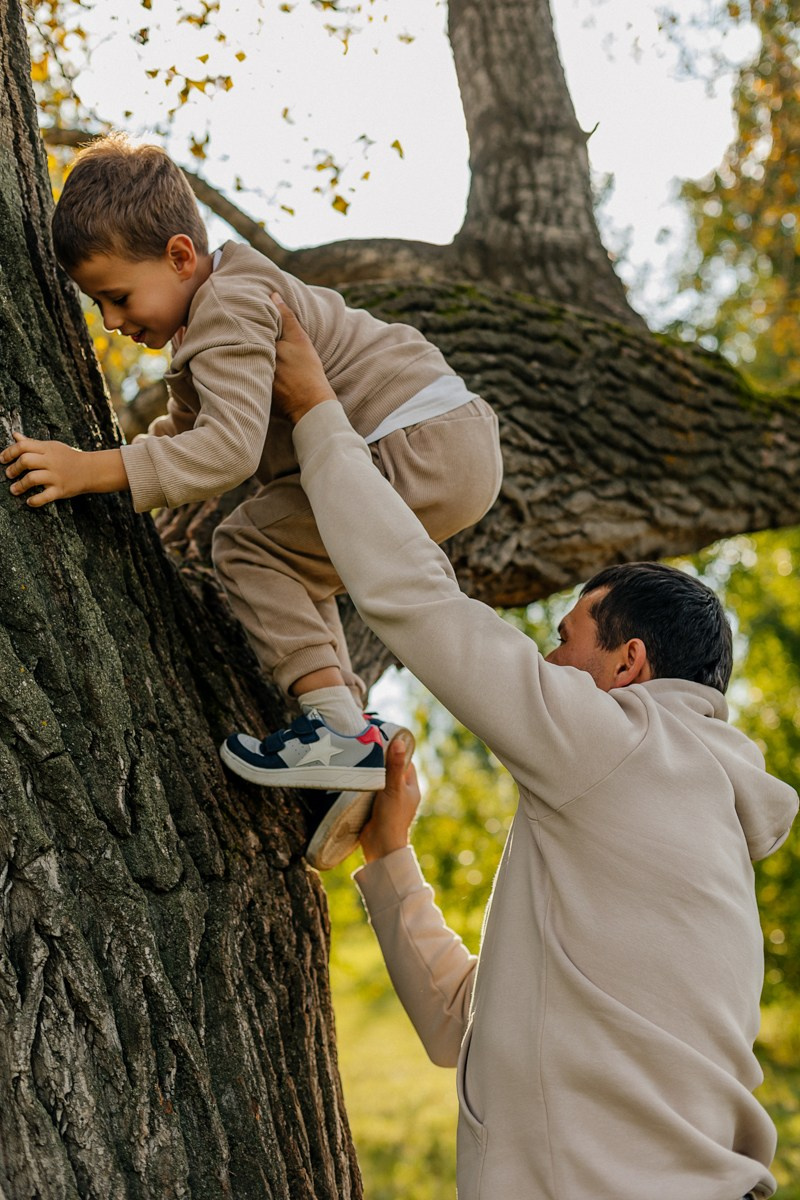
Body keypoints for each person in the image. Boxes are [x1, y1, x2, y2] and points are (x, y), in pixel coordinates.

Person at [267, 294, 798, 1200]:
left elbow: (416, 598)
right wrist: (391, 860)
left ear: (627, 665)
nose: (546, 659)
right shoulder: (675, 819)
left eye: (563, 638)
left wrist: (317, 408)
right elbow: (462, 1028)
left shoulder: (622, 746)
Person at [0, 133, 502, 868]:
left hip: (419, 439)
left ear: (179, 257)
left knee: (248, 545)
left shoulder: (229, 303)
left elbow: (227, 451)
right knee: (291, 560)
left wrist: (90, 470)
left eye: (116, 297)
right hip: (436, 445)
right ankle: (349, 746)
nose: (110, 321)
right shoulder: (217, 309)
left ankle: (337, 730)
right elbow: (197, 429)